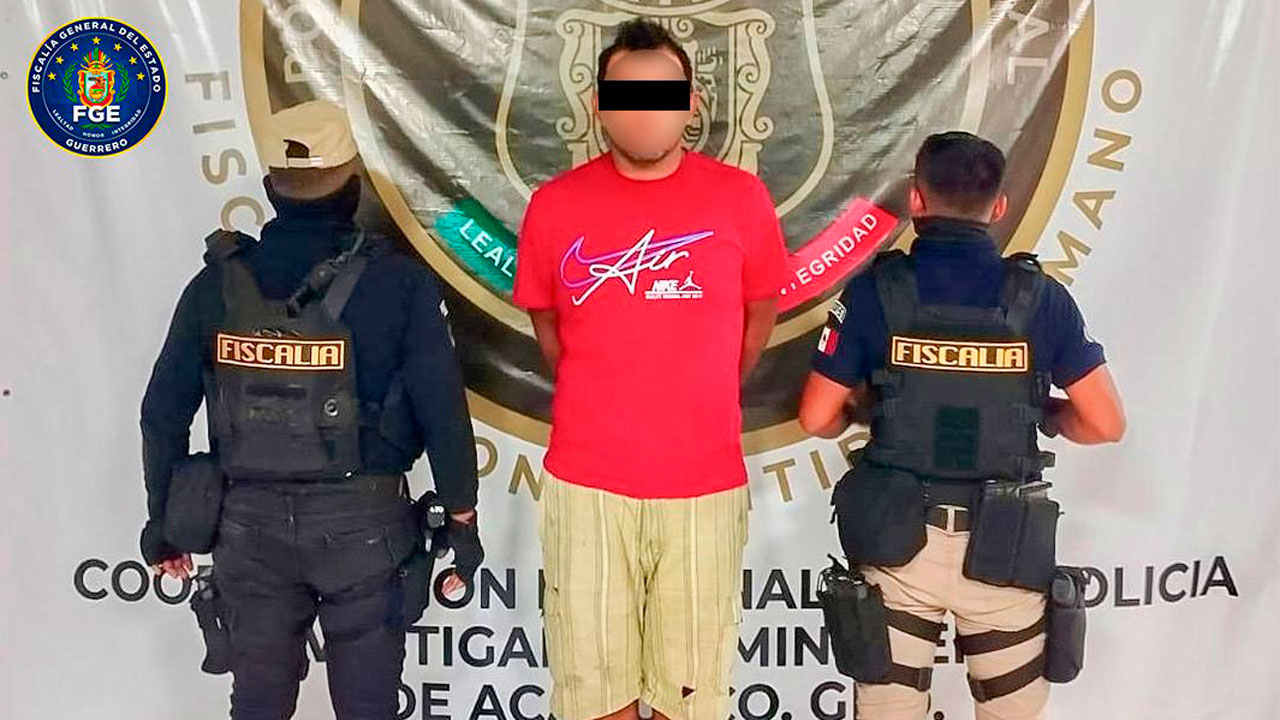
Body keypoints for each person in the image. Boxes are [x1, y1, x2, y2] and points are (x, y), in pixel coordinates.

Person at [139, 100, 483, 720]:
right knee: (368, 707)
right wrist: (461, 517)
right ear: (354, 186)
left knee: (258, 706)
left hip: (248, 528)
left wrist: (163, 524)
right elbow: (443, 412)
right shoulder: (399, 284)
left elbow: (162, 414)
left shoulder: (216, 283)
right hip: (366, 527)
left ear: (272, 187)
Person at [511, 18, 790, 720]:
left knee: (688, 701)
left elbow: (758, 314)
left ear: (691, 103)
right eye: (626, 96)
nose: (644, 112)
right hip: (586, 485)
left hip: (704, 485)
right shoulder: (554, 206)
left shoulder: (741, 199)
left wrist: (701, 386)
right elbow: (550, 330)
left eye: (661, 95)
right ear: (599, 106)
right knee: (594, 698)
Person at [799, 131, 1126, 720]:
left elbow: (815, 416)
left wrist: (865, 408)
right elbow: (1105, 423)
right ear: (998, 207)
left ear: (915, 199)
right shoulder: (1040, 298)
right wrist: (1046, 412)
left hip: (899, 545)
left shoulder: (874, 293)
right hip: (1005, 547)